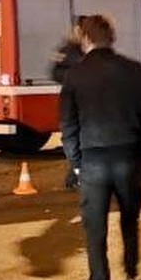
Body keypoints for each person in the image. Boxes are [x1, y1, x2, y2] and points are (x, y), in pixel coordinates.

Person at [59, 13, 141, 280]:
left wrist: (76, 163)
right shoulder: (135, 71)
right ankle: (131, 278)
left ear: (86, 39)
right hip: (129, 158)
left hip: (93, 162)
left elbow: (68, 125)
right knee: (130, 221)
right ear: (110, 38)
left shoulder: (75, 76)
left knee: (95, 230)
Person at [50, 23, 86, 189]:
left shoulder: (91, 52)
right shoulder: (66, 51)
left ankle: (75, 177)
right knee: (71, 140)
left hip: (88, 103)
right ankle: (76, 175)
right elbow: (55, 73)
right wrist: (75, 77)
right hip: (72, 102)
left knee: (82, 140)